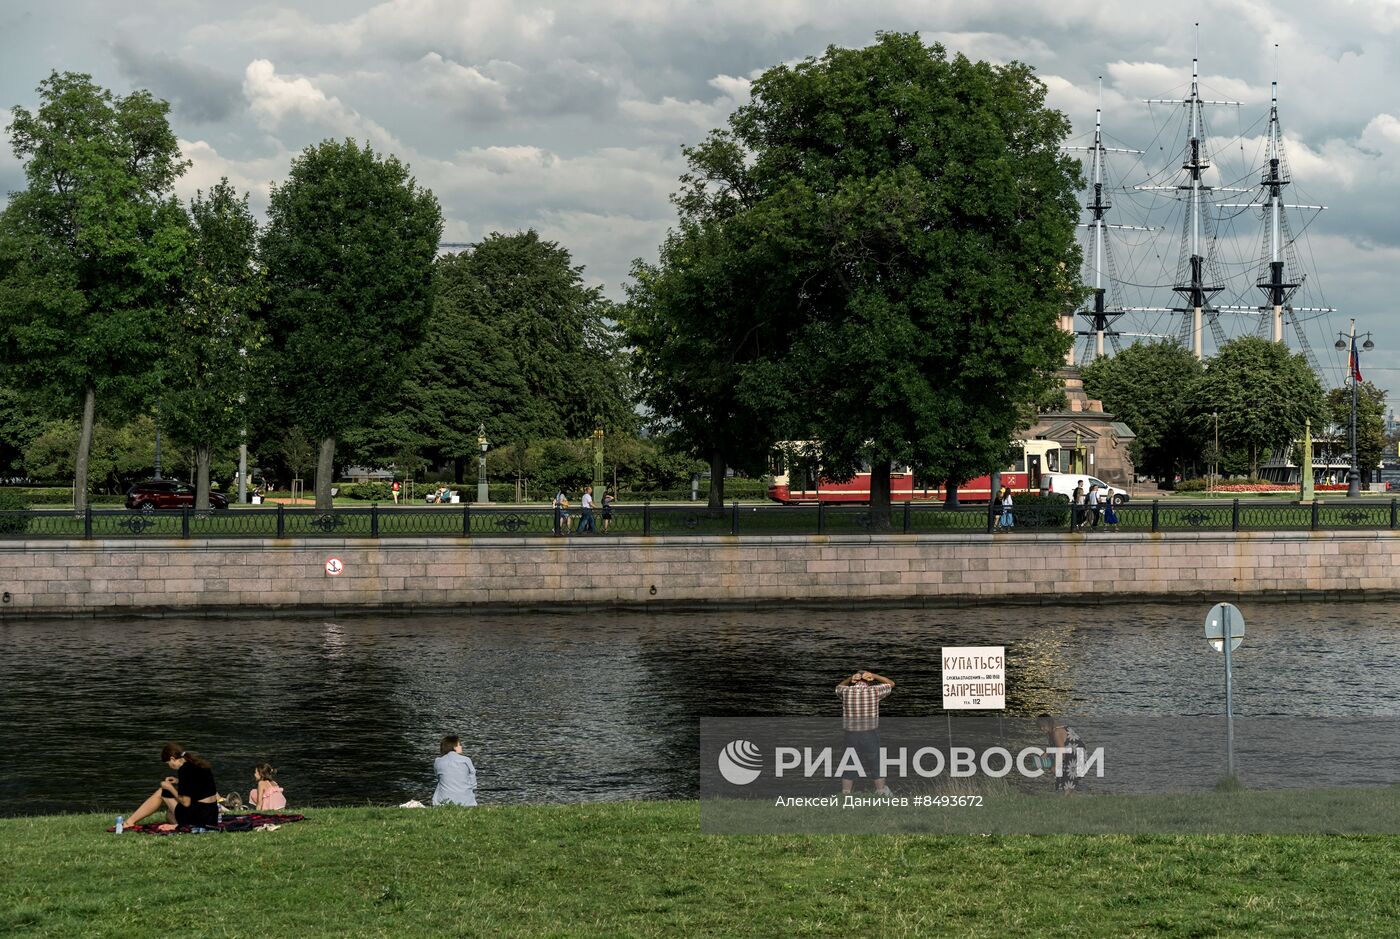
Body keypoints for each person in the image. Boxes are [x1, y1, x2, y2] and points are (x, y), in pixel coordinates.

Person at [123, 742, 220, 830]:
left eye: (168, 763)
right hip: (211, 816)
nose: (169, 766)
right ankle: (180, 824)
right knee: (169, 813)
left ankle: (129, 822)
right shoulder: (198, 764)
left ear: (172, 759)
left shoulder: (184, 770)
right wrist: (178, 781)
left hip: (199, 817)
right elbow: (201, 786)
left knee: (162, 791)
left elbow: (186, 802)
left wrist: (170, 787)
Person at [835, 670, 896, 795]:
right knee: (875, 762)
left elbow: (838, 687)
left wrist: (849, 679)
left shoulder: (846, 691)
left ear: (854, 681)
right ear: (869, 681)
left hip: (851, 735)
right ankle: (880, 791)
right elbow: (891, 683)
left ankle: (846, 793)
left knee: (849, 762)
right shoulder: (874, 691)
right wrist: (874, 675)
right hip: (869, 733)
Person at [1036, 714, 1088, 794]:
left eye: (1043, 726)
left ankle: (1067, 799)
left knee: (1067, 781)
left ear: (1049, 723)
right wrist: (1045, 754)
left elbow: (1061, 751)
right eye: (1040, 727)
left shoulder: (1057, 732)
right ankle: (1069, 798)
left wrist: (1055, 766)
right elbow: (1054, 746)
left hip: (1076, 756)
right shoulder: (1051, 731)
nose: (1041, 729)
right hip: (1070, 754)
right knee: (1063, 780)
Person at [433, 735, 478, 806]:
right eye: (459, 745)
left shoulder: (438, 761)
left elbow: (438, 777)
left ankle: (440, 803)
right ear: (454, 747)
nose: (461, 747)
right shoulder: (466, 760)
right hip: (467, 802)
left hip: (444, 802)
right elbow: (473, 784)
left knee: (440, 783)